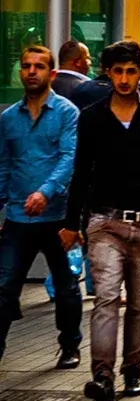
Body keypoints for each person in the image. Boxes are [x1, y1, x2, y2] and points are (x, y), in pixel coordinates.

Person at [63, 40, 140, 401]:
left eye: (131, 71)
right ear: (107, 72)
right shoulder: (94, 117)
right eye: (117, 71)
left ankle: (133, 369)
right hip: (105, 222)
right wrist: (72, 222)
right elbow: (81, 171)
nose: (124, 79)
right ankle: (102, 374)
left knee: (139, 304)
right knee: (105, 298)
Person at [0, 46, 82, 370]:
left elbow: (68, 158)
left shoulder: (66, 113)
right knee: (5, 286)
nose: (31, 71)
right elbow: (4, 167)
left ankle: (70, 346)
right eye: (26, 66)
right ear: (19, 72)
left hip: (57, 215)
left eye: (39, 66)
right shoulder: (7, 119)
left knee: (65, 284)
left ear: (52, 73)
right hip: (19, 216)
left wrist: (45, 192)